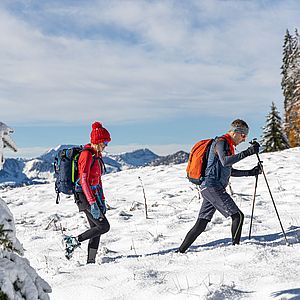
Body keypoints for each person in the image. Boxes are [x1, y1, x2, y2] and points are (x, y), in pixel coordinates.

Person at [178, 119, 262, 253]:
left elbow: (228, 170)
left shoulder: (227, 145)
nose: (244, 139)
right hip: (212, 187)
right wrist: (248, 152)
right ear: (236, 132)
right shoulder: (221, 142)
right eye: (243, 136)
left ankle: (180, 252)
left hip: (210, 188)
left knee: (201, 223)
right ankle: (236, 250)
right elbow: (225, 161)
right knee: (238, 216)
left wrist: (250, 172)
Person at [64, 121, 111, 263]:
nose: (106, 145)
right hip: (83, 196)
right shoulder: (86, 155)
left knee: (96, 229)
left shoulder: (97, 155)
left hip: (93, 195)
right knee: (104, 226)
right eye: (105, 142)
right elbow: (84, 180)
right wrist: (92, 203)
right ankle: (72, 241)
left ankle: (91, 262)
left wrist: (101, 200)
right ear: (98, 141)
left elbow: (98, 180)